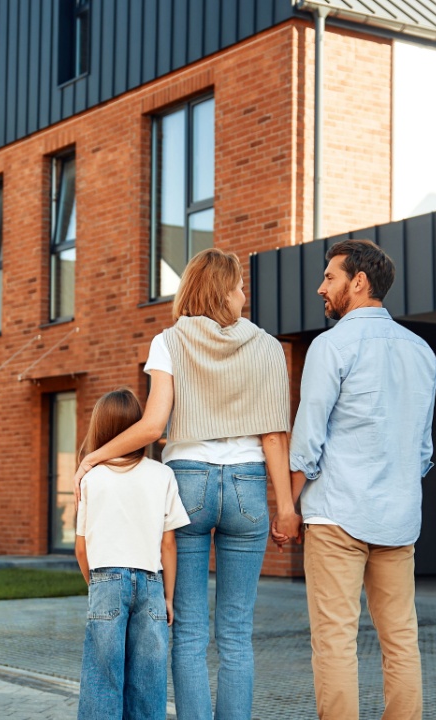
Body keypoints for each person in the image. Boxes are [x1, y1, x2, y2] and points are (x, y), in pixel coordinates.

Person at [75, 248, 297, 720]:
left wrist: (94, 455)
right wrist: (286, 508)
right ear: (221, 290)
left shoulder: (169, 341)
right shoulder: (268, 347)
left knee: (190, 632)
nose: (243, 294)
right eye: (238, 286)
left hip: (188, 482)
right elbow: (275, 435)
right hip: (249, 485)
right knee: (236, 632)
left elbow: (154, 426)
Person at [277, 238, 436, 720]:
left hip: (337, 516)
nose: (320, 287)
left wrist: (287, 509)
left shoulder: (332, 346)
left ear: (359, 282)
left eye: (330, 277)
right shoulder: (423, 352)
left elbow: (307, 440)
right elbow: (424, 448)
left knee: (334, 641)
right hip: (399, 519)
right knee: (401, 639)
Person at [74, 388, 190, 720]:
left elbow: (81, 548)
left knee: (102, 677)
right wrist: (168, 598)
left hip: (105, 580)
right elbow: (168, 545)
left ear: (99, 428)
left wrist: (95, 584)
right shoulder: (162, 474)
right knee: (148, 682)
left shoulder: (90, 478)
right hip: (152, 584)